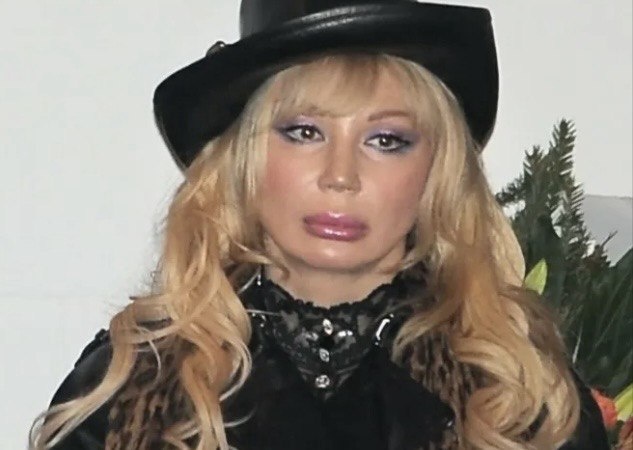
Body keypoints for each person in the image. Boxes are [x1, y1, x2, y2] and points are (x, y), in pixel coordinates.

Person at [30, 1, 609, 449]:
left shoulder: (520, 394)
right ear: (244, 160)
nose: (341, 176)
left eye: (386, 140)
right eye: (304, 132)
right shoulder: (131, 385)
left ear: (436, 171)